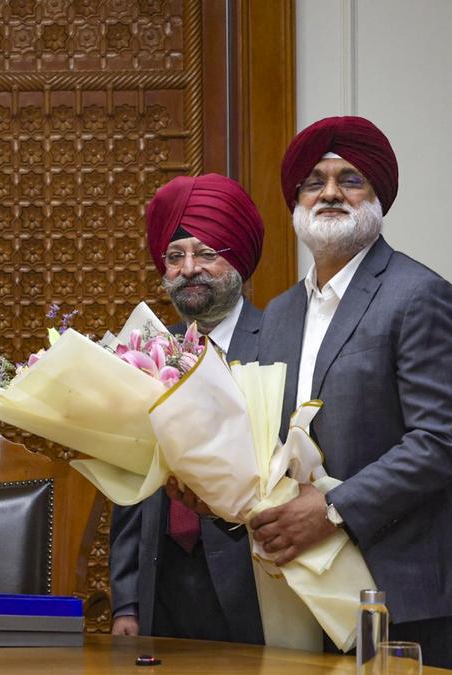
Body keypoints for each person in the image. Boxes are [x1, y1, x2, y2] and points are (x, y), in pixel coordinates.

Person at [251, 116, 452, 670]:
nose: (330, 192)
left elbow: (440, 442)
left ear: (378, 196)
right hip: (303, 586)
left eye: (350, 179)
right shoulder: (280, 313)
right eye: (314, 181)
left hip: (402, 590)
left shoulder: (420, 295)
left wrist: (332, 508)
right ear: (296, 200)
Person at [109, 174, 266, 644]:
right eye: (175, 257)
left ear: (237, 258)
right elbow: (130, 478)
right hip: (164, 580)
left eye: (206, 254)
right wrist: (127, 601)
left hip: (253, 579)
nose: (189, 268)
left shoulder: (281, 339)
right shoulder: (148, 348)